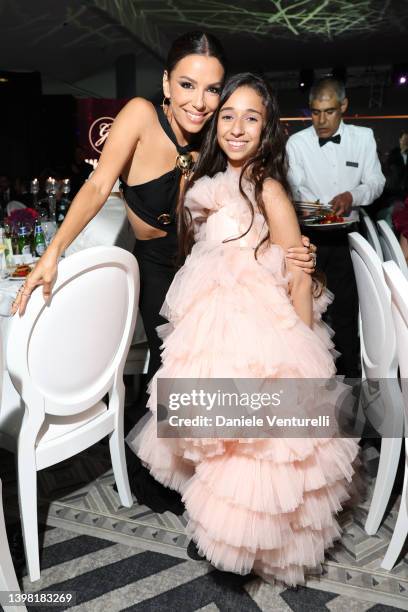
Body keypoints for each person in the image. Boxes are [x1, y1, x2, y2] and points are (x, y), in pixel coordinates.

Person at [11, 32, 315, 511]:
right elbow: (95, 188)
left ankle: (221, 482)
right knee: (174, 375)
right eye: (189, 85)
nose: (201, 102)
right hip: (157, 268)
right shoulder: (139, 115)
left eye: (212, 90)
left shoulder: (217, 139)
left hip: (210, 268)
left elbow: (253, 200)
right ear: (167, 83)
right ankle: (169, 476)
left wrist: (293, 248)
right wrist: (52, 253)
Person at [126, 73, 359, 586]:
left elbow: (297, 269)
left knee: (252, 442)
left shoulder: (268, 187)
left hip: (260, 333)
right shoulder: (209, 181)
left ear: (266, 129)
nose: (236, 127)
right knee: (215, 435)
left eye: (250, 118)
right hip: (212, 324)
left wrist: (304, 345)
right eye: (227, 115)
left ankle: (246, 541)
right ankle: (218, 524)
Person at [286, 77, 385, 378]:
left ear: (343, 106)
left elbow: (376, 182)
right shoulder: (297, 143)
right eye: (315, 112)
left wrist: (352, 196)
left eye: (329, 111)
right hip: (311, 237)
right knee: (310, 310)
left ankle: (352, 380)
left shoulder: (363, 137)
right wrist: (319, 211)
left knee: (347, 310)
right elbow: (294, 189)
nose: (321, 120)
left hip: (348, 238)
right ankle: (316, 379)